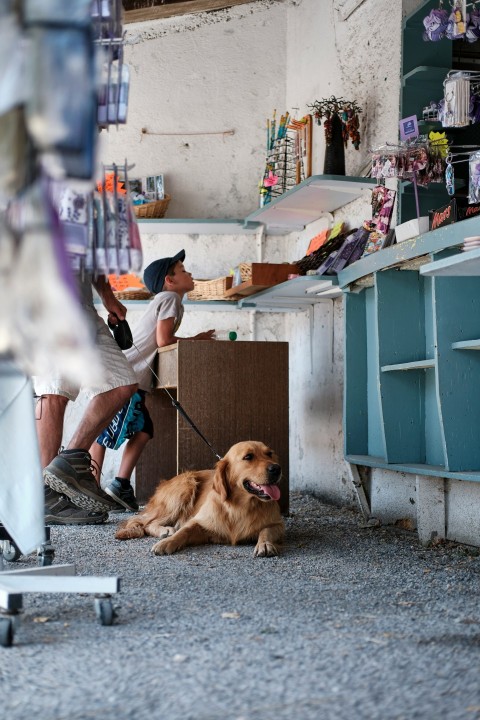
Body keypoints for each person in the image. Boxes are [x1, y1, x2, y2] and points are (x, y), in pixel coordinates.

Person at [89, 249, 215, 512]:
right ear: (170, 281)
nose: (189, 274)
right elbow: (164, 340)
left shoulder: (167, 299)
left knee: (142, 430)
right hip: (127, 378)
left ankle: (118, 485)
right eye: (182, 271)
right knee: (103, 432)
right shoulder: (170, 298)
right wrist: (197, 341)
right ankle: (91, 488)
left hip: (130, 379)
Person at [35, 274, 139, 525]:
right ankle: (43, 495)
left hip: (84, 306)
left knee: (122, 383)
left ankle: (68, 462)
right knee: (56, 390)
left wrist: (107, 296)